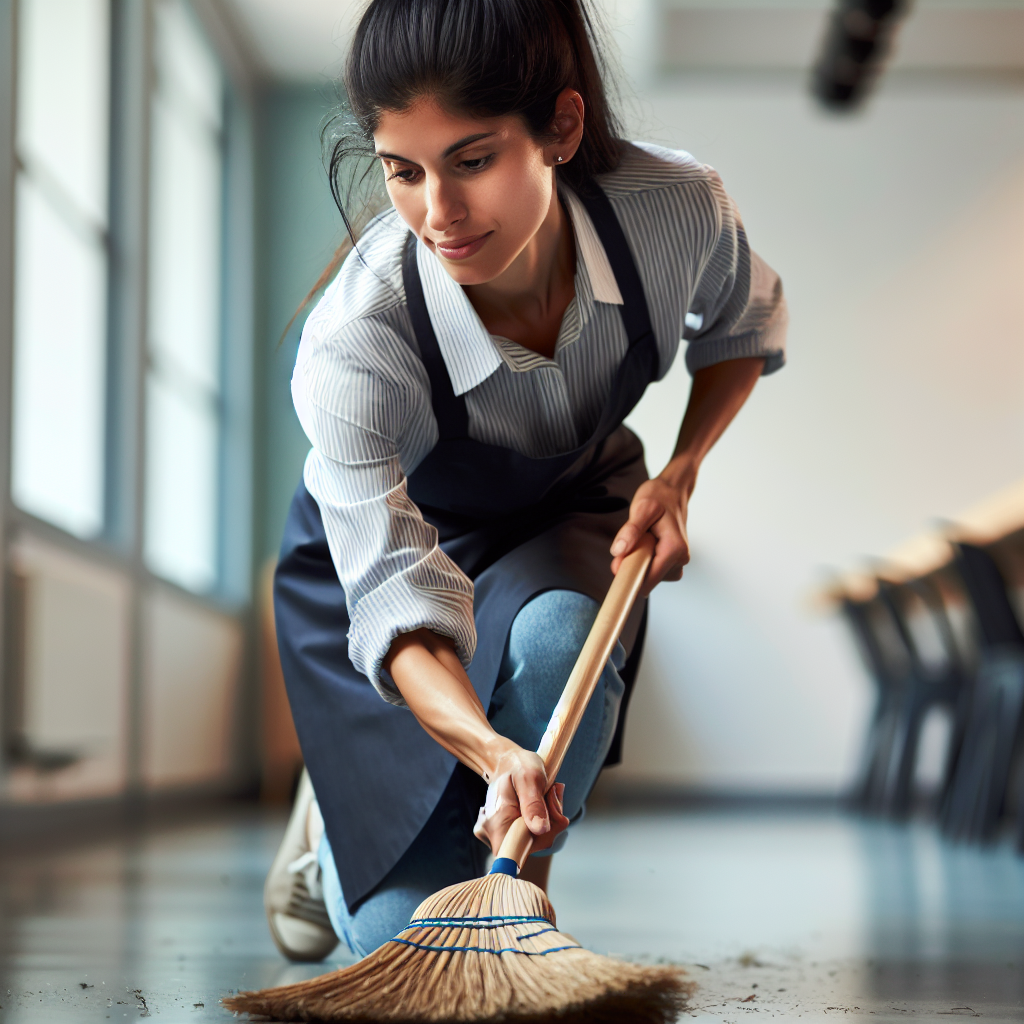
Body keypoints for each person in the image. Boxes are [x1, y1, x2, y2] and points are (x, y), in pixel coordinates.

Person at [263, 0, 788, 964]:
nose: (439, 215)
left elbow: (741, 330)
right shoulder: (356, 342)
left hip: (568, 504)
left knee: (559, 646)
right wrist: (495, 752)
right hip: (396, 549)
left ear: (562, 128)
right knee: (396, 944)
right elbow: (395, 600)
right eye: (404, 172)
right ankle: (326, 816)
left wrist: (679, 474)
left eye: (472, 160)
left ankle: (520, 919)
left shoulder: (673, 209)